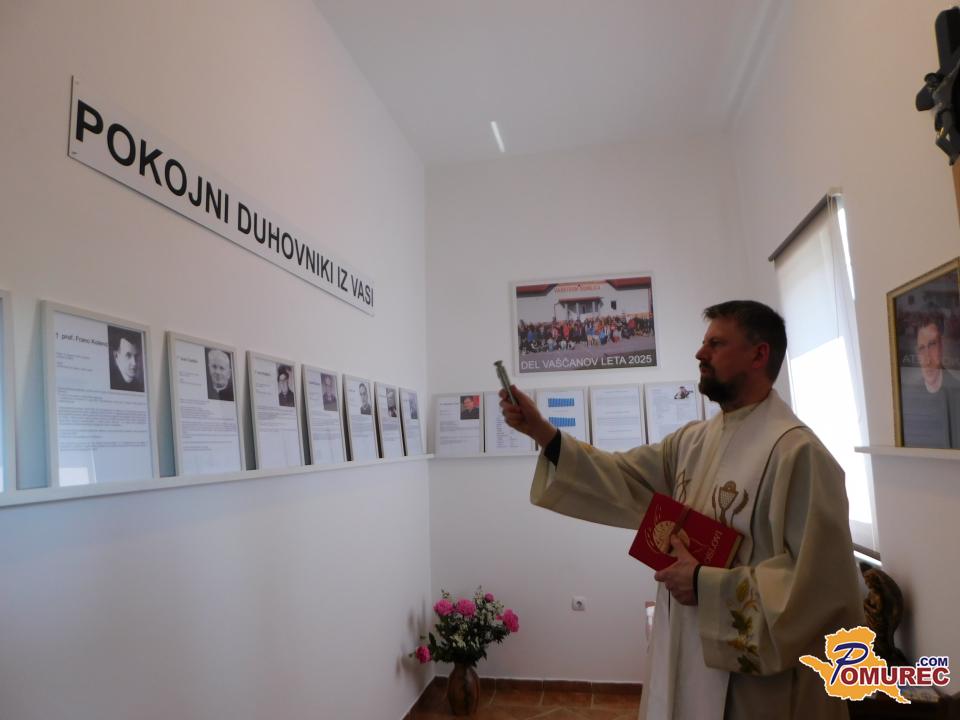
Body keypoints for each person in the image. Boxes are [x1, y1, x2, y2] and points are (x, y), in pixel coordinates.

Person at [500, 300, 864, 720]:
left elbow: (825, 589)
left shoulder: (798, 453)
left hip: (756, 688)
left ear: (759, 354)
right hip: (685, 644)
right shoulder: (692, 440)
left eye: (716, 343)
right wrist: (543, 432)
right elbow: (621, 475)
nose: (700, 353)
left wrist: (705, 584)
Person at [900, 312, 960, 448]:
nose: (927, 360)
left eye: (932, 345)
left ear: (942, 346)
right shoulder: (909, 397)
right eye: (921, 348)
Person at [107, 325, 144, 392]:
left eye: (136, 356)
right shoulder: (109, 381)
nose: (134, 363)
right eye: (128, 355)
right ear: (116, 356)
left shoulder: (139, 386)